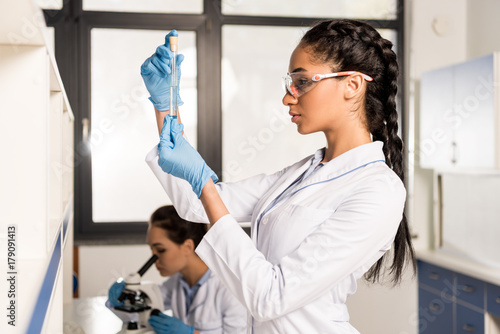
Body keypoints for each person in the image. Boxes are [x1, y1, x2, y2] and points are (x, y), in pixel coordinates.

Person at [141, 21, 416, 334]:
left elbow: (271, 297)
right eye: (290, 83)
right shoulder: (304, 172)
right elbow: (196, 205)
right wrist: (167, 106)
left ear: (352, 85)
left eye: (302, 81)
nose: (288, 97)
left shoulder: (378, 190)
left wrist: (204, 182)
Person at [107, 205, 247, 334]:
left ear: (187, 247)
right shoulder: (177, 282)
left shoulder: (230, 288)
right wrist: (121, 297)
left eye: (161, 250)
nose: (154, 258)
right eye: (152, 249)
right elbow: (139, 311)